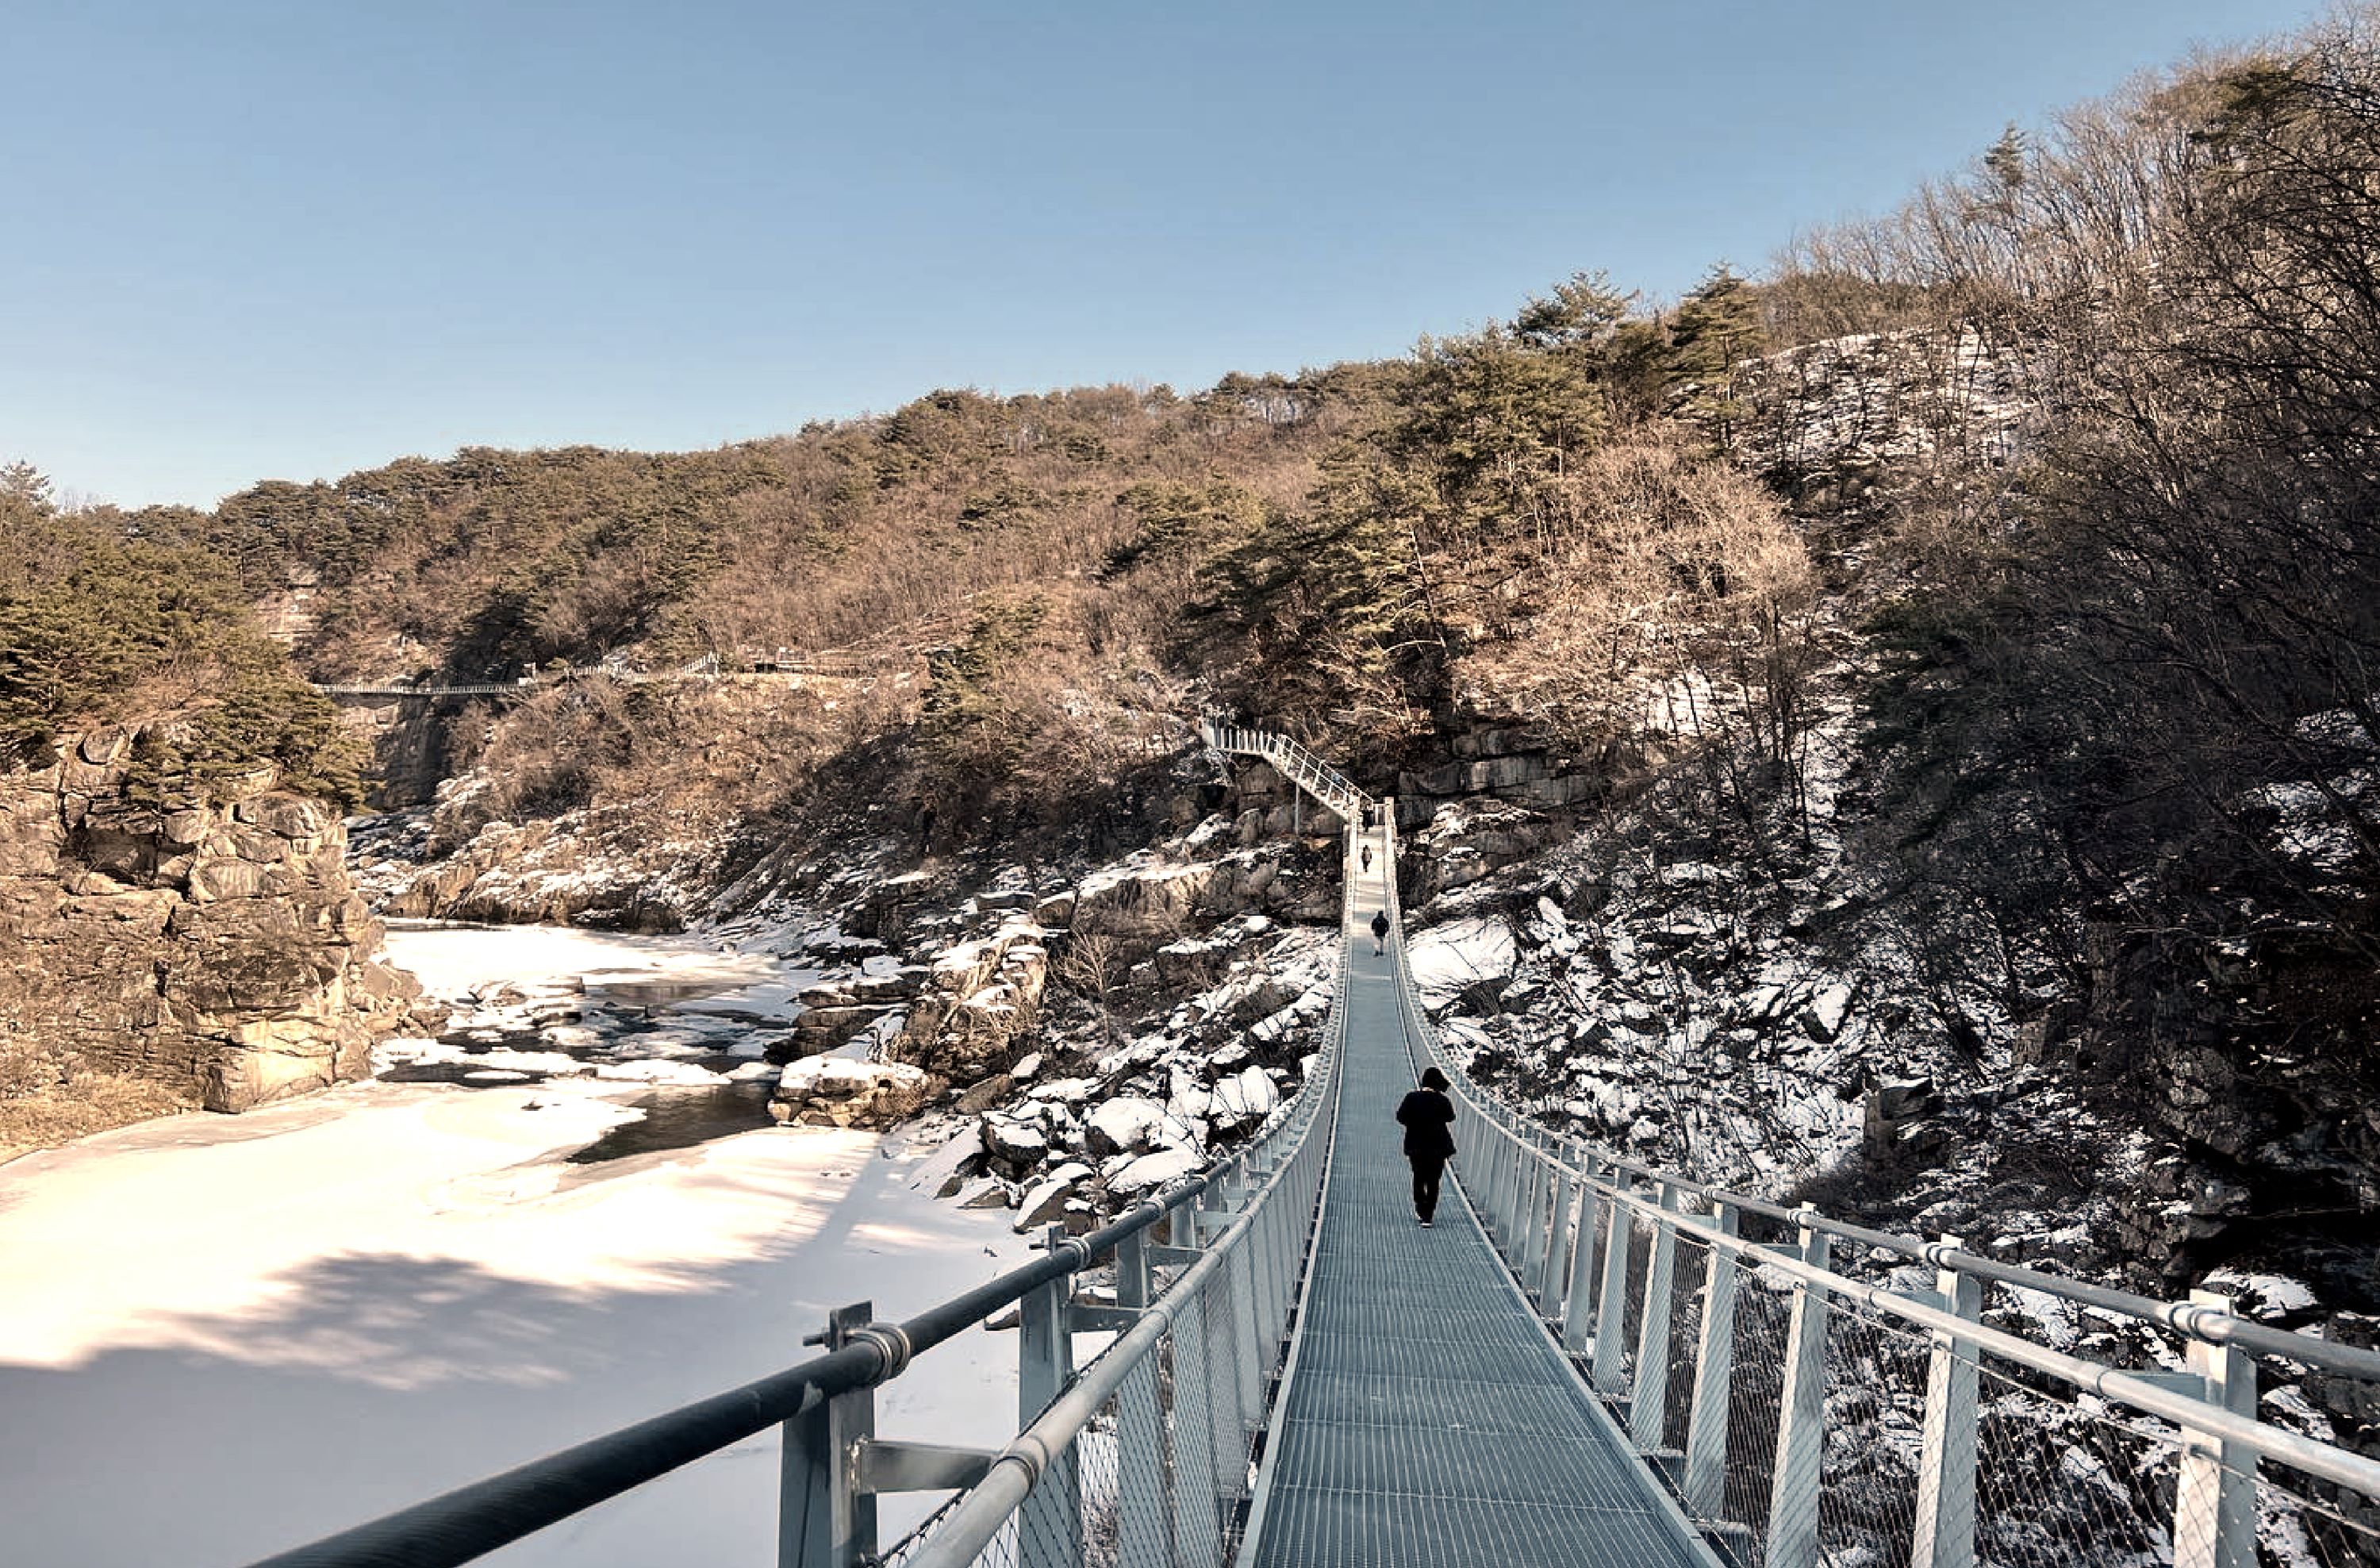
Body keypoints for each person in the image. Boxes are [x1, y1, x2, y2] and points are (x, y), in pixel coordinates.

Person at [1396, 1067, 1457, 1227]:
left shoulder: (1412, 1098)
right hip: (1438, 1147)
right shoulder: (1443, 1101)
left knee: (1418, 1176)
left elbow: (1400, 1117)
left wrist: (1414, 1123)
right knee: (1433, 1180)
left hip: (1416, 1145)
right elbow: (1450, 1117)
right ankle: (1428, 1215)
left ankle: (1420, 1206)